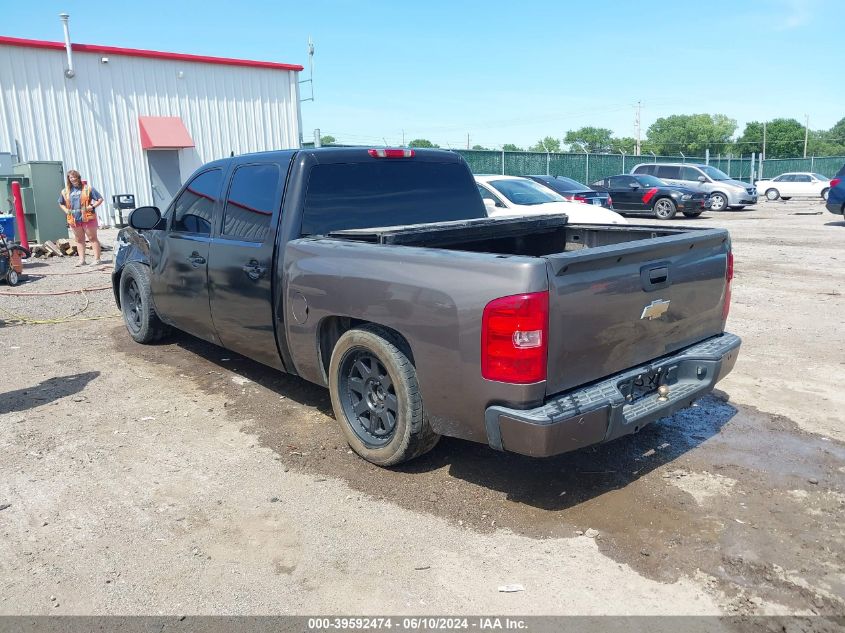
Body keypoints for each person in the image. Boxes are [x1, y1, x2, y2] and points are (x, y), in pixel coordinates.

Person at [58, 170, 105, 266]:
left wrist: (92, 207)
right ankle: (82, 260)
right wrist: (66, 210)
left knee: (92, 238)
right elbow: (60, 203)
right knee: (79, 240)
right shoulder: (65, 191)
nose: (73, 179)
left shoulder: (88, 189)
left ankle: (97, 259)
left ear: (78, 177)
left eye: (74, 177)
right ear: (68, 179)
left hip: (87, 217)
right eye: (71, 177)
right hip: (74, 219)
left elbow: (100, 199)